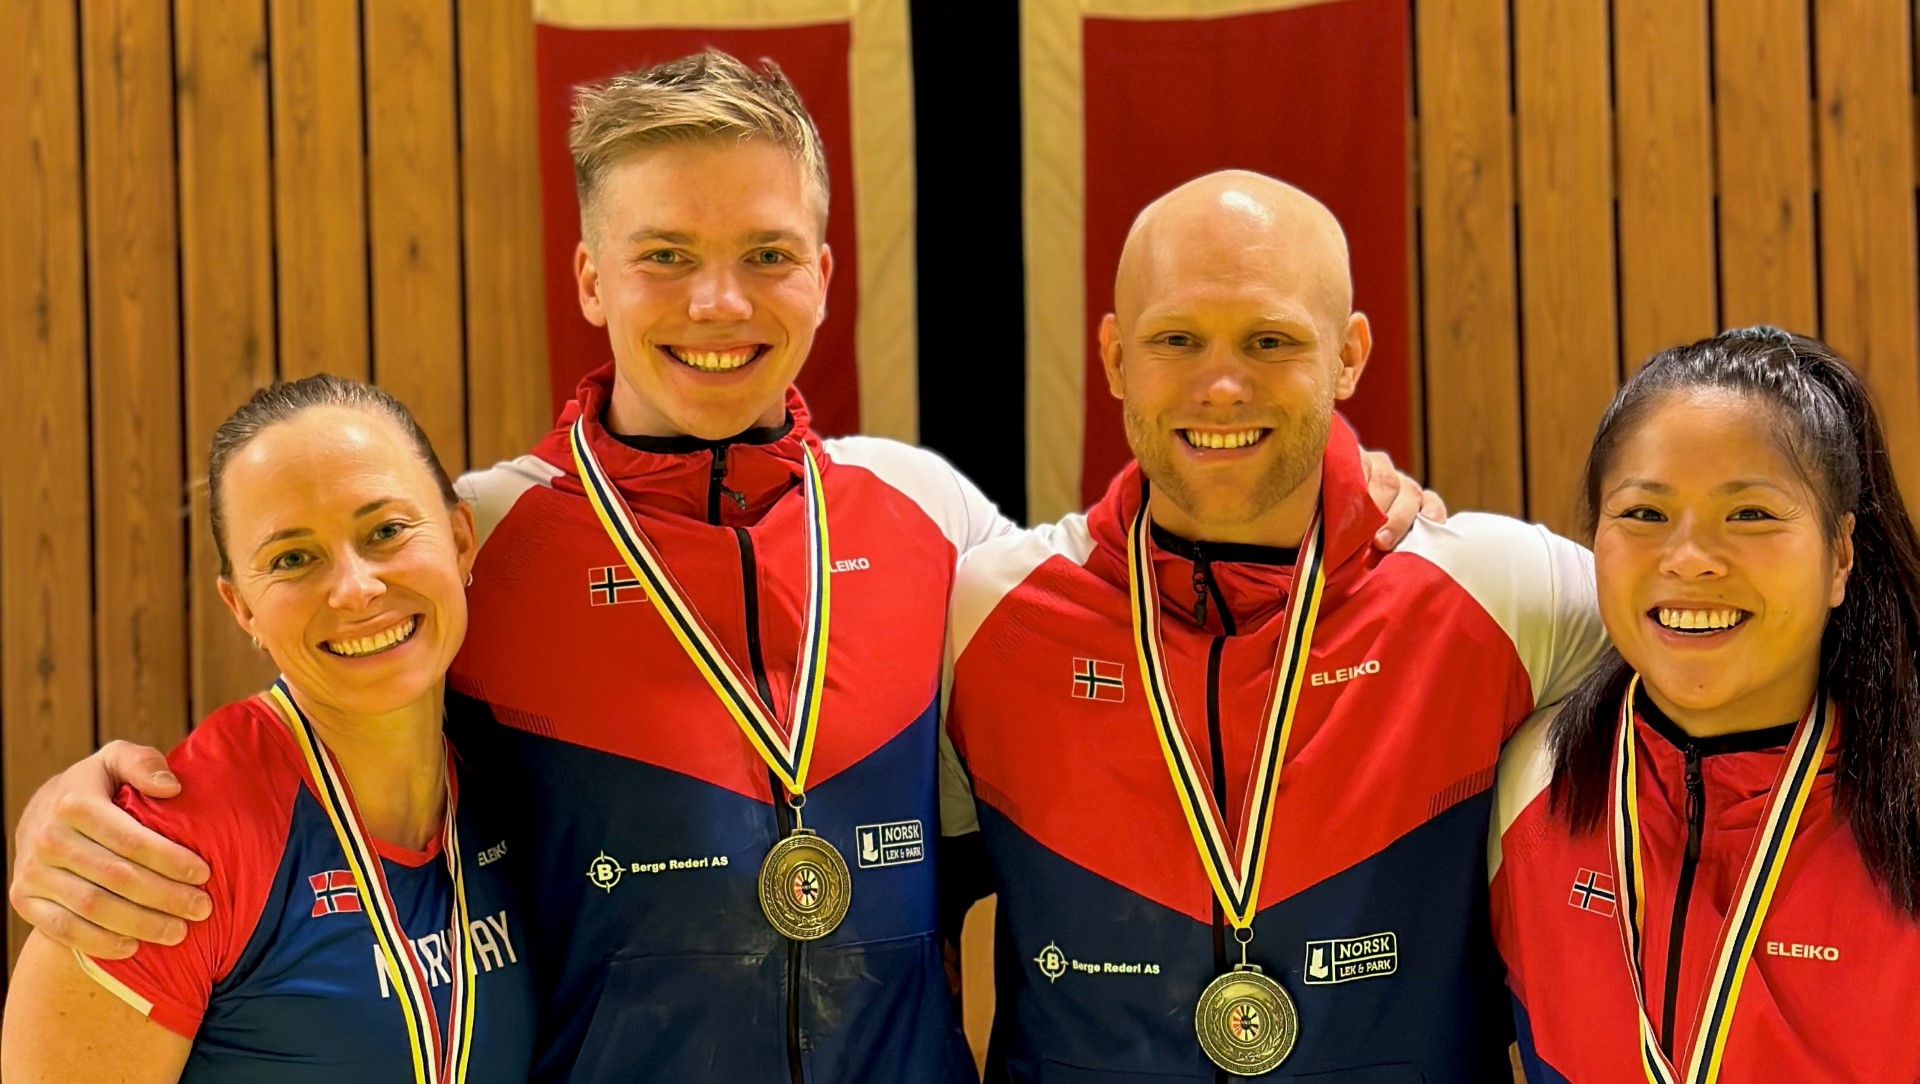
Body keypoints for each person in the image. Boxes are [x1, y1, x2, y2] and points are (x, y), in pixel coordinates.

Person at [6, 53, 1430, 1083]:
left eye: (764, 253)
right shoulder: (482, 536)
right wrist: (77, 805)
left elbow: (1171, 632)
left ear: (825, 267)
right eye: (666, 255)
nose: (717, 304)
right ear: (589, 279)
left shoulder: (933, 517)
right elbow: (325, 675)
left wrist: (1357, 507)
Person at [942, 171, 1608, 1082]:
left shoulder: (1502, 595)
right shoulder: (989, 618)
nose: (1222, 386)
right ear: (1113, 358)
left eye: (1271, 341)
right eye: (1176, 339)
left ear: (1348, 355)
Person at [0, 376, 536, 1082]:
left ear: (462, 538)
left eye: (385, 531)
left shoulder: (524, 774)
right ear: (241, 607)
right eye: (292, 558)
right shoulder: (161, 856)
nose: (355, 589)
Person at [1490, 328, 1920, 1083]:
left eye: (1751, 514)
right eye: (1645, 515)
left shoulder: (1904, 801)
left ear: (1840, 555)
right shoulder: (1530, 782)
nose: (1689, 557)